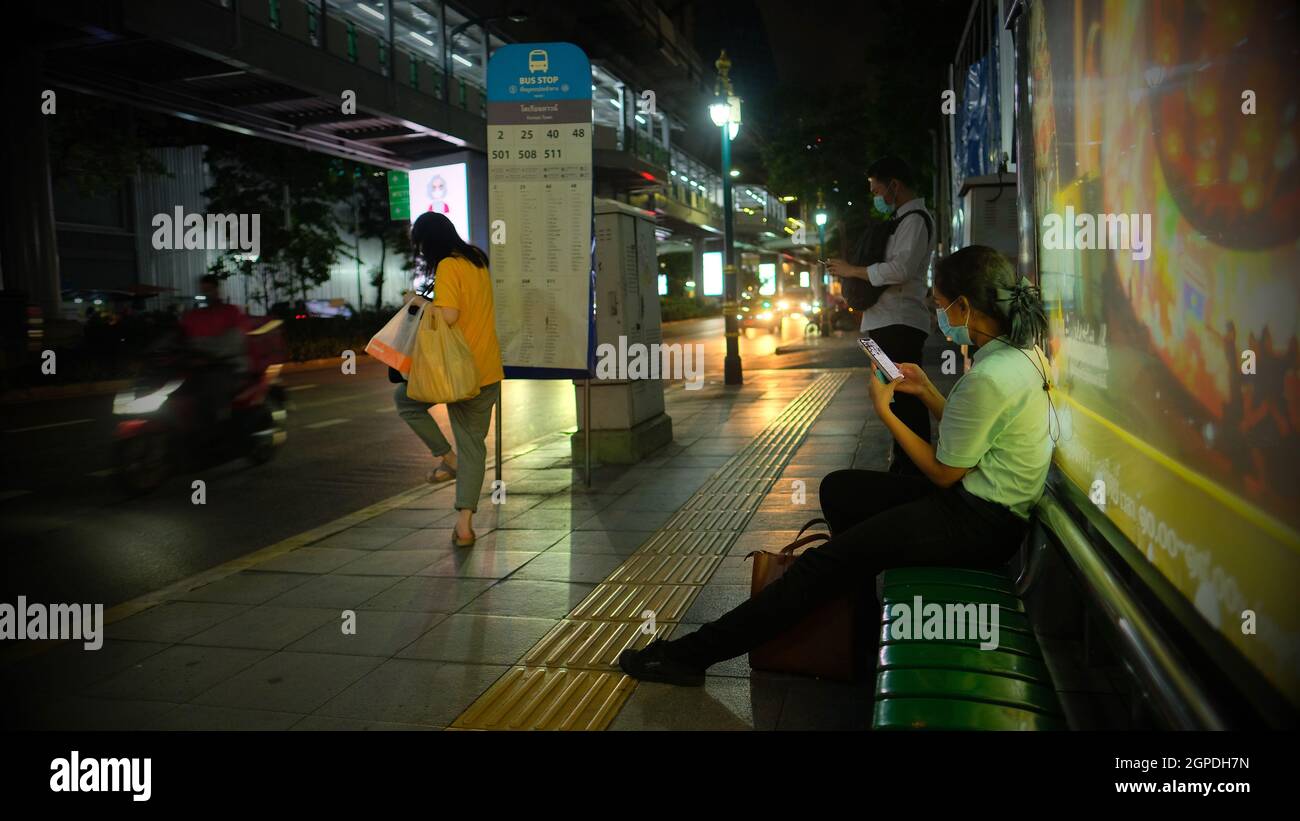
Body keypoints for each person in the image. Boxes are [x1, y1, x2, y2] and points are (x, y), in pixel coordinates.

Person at [619, 245, 1054, 686]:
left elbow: (944, 471)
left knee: (823, 565)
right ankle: (855, 615)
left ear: (965, 306)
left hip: (977, 522)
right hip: (984, 507)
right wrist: (924, 392)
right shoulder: (1017, 356)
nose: (941, 316)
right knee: (841, 489)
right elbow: (973, 438)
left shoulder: (989, 375)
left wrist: (886, 413)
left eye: (941, 306)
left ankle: (693, 655)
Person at [395, 212, 504, 548]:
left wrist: (415, 304)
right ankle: (465, 526)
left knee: (405, 401)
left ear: (428, 243)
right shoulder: (476, 260)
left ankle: (447, 457)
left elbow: (450, 316)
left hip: (457, 371)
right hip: (488, 370)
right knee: (473, 445)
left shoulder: (447, 266)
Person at [826, 156, 934, 476]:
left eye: (876, 189)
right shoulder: (903, 219)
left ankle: (913, 473)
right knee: (894, 396)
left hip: (898, 326)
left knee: (904, 399)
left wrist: (851, 271)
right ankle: (905, 466)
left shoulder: (914, 219)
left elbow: (900, 269)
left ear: (894, 185)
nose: (875, 196)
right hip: (882, 325)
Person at [179, 274, 249, 435]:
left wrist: (208, 356)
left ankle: (222, 427)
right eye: (203, 290)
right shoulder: (194, 316)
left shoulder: (231, 312)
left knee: (213, 387)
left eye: (209, 290)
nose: (206, 294)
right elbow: (180, 337)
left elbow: (234, 342)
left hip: (229, 365)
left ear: (217, 290)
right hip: (202, 366)